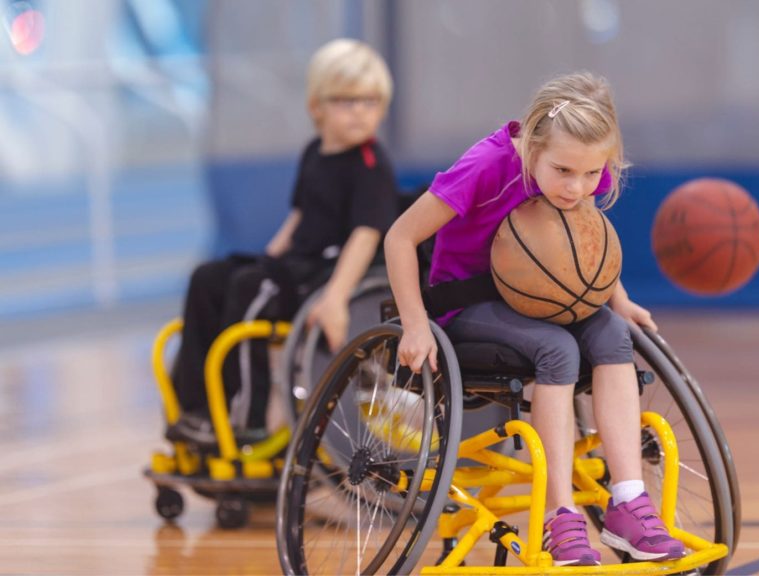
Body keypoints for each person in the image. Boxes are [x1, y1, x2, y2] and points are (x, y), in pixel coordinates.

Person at [384, 72, 684, 566]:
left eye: (591, 175)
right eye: (564, 171)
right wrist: (415, 324)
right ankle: (558, 514)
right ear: (532, 148)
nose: (578, 187)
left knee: (612, 333)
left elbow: (583, 247)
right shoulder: (486, 164)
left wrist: (619, 298)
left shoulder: (582, 166)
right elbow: (399, 237)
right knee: (557, 348)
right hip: (468, 303)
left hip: (546, 301)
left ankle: (629, 499)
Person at [168, 38, 399, 445]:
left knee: (250, 292)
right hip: (296, 264)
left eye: (371, 101)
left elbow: (366, 235)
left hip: (327, 275)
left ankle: (245, 417)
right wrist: (266, 257)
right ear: (317, 108)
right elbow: (299, 216)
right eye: (347, 101)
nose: (361, 111)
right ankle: (197, 406)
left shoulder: (371, 165)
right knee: (209, 277)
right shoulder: (315, 152)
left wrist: (336, 298)